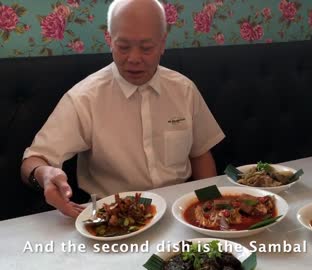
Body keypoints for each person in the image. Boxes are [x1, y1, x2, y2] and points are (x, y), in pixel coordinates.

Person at [20, 0, 225, 218]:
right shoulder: (85, 98)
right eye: (123, 47)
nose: (134, 59)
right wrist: (44, 175)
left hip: (180, 210)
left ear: (163, 43)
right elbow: (33, 160)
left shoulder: (184, 89)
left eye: (146, 48)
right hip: (115, 218)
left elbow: (200, 153)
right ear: (109, 40)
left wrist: (208, 208)